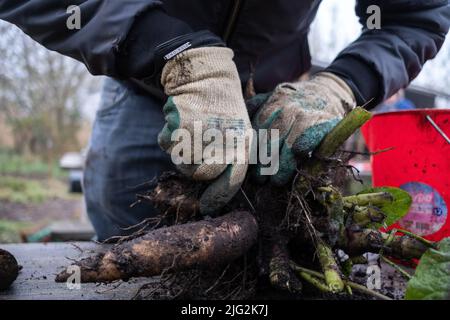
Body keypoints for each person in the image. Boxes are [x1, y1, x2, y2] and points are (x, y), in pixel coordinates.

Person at [1, 1, 448, 240]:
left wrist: (344, 84)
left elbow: (414, 15)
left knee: (273, 243)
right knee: (128, 244)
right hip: (146, 86)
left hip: (276, 109)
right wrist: (165, 47)